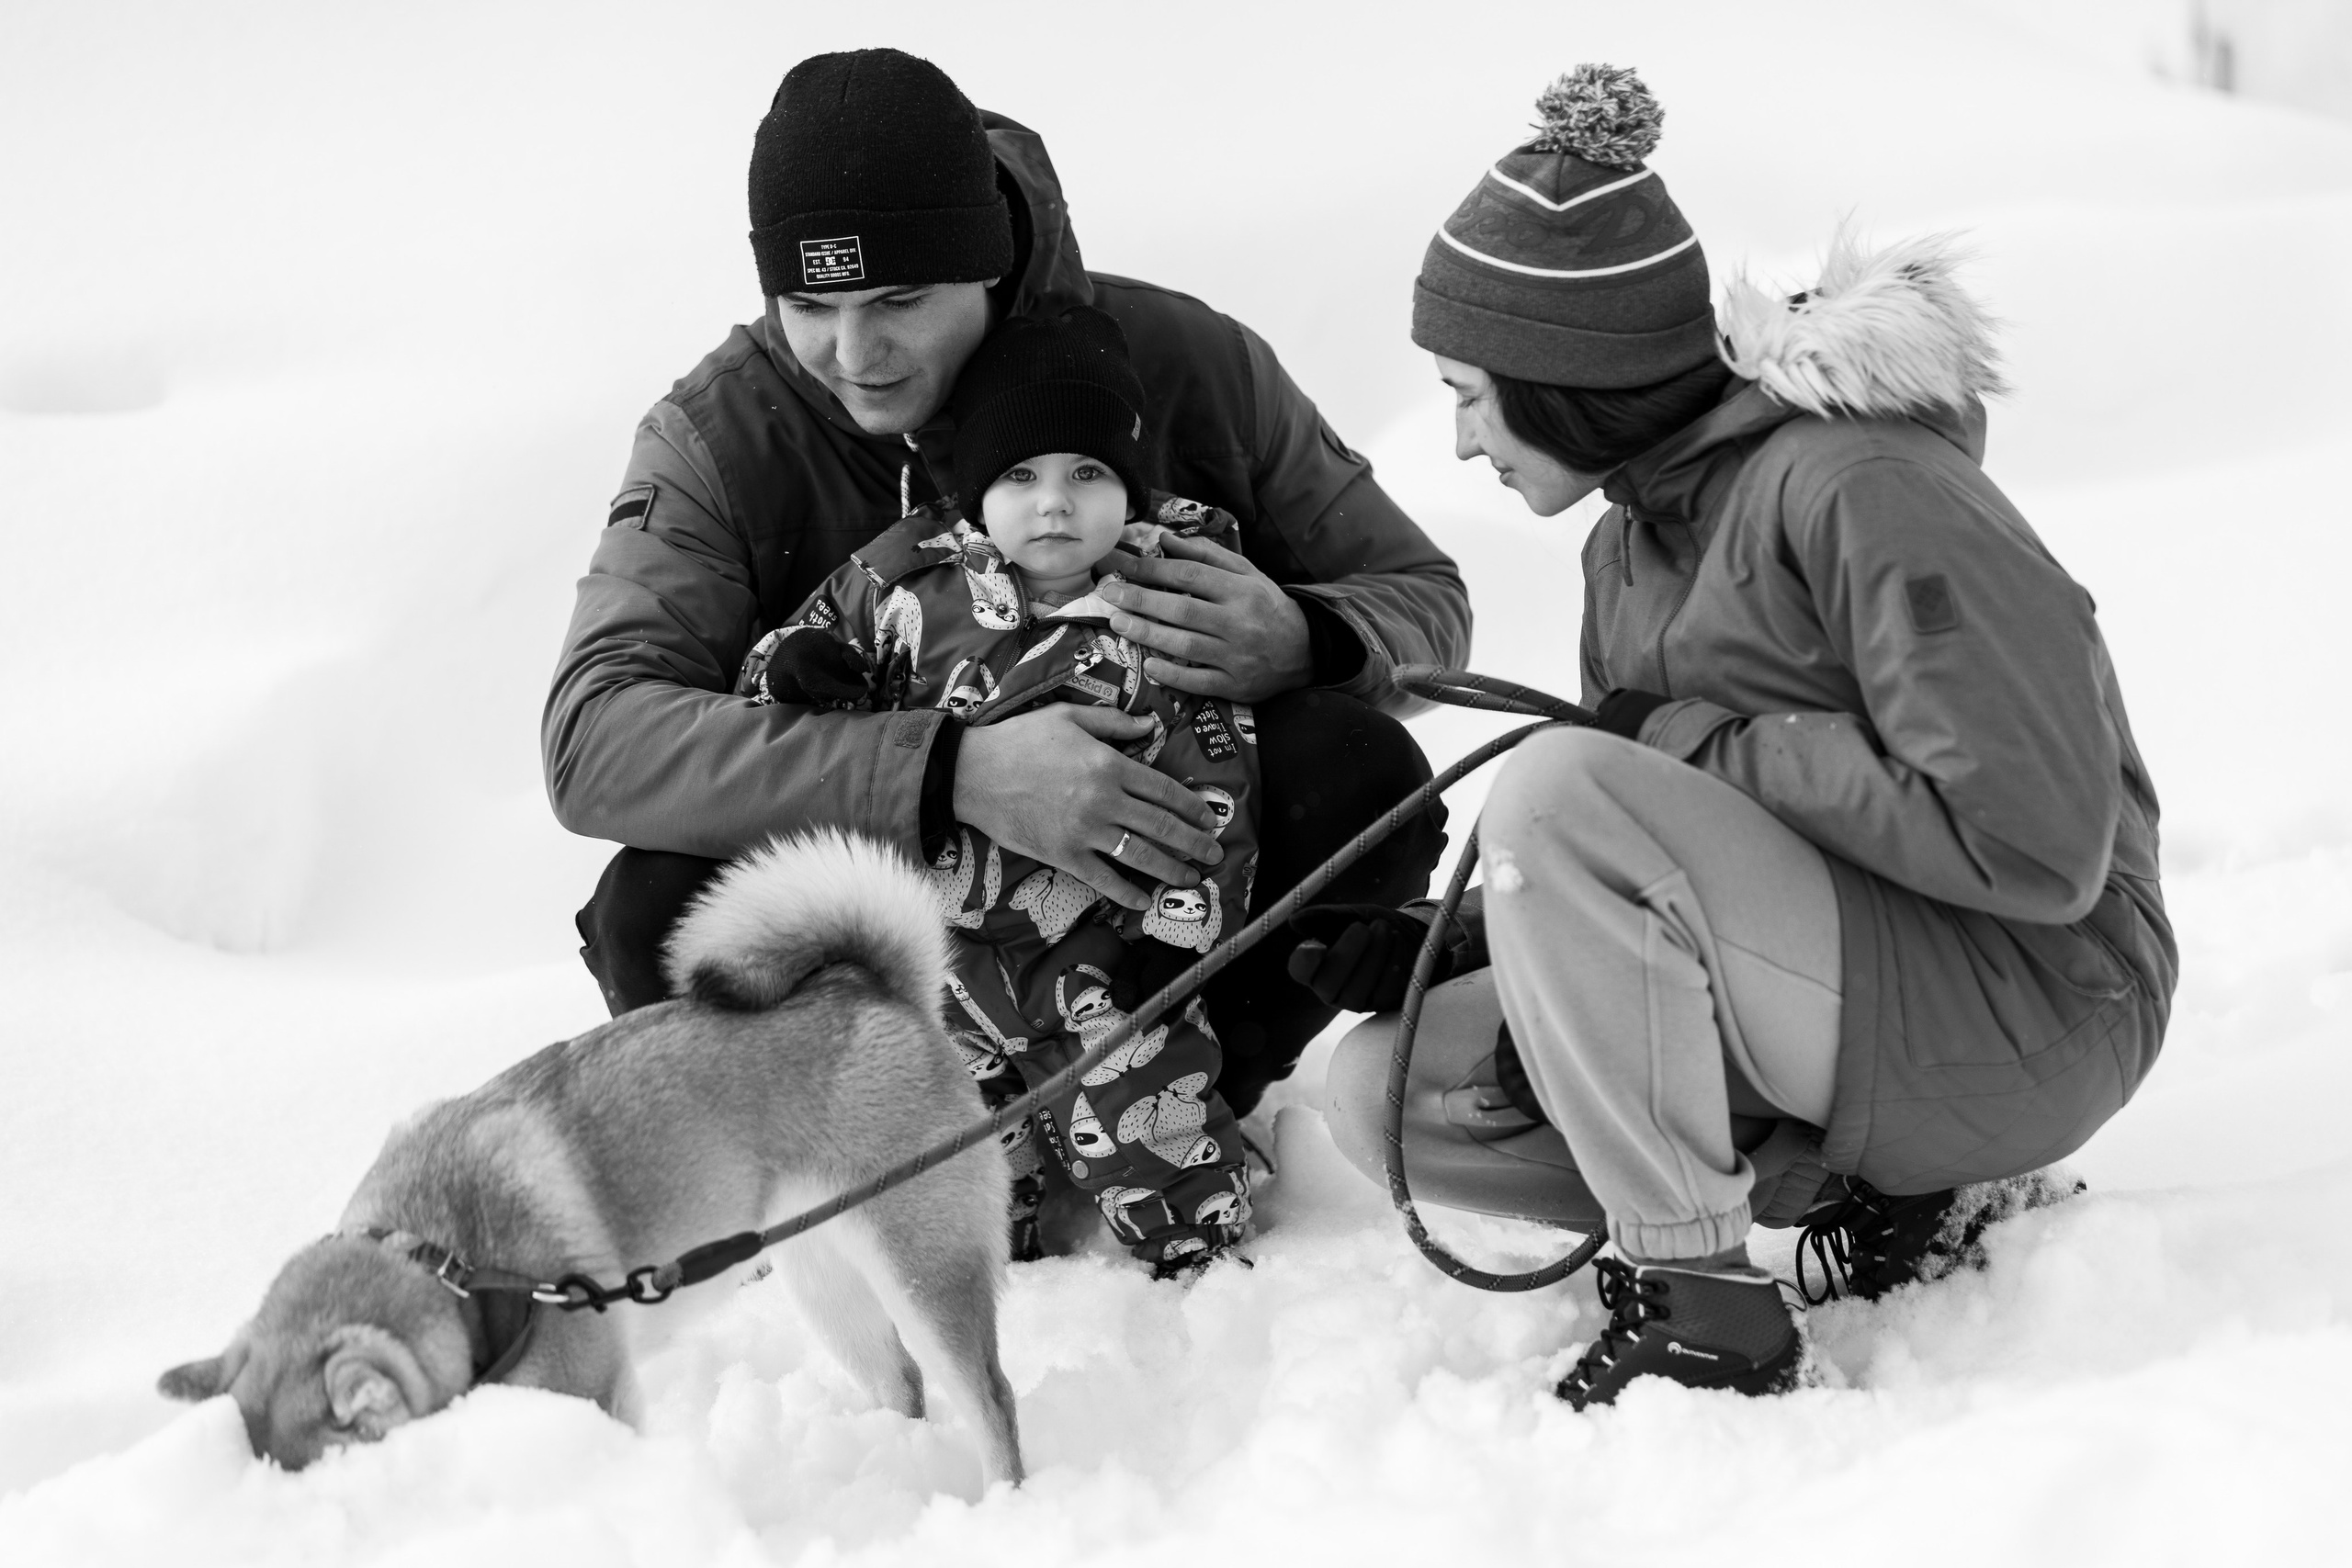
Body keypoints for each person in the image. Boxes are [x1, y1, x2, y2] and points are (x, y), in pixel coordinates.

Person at [1301, 66, 2174, 1406]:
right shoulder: (1625, 549)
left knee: (1560, 790)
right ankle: (1893, 1190)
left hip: (2041, 997)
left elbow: (2037, 845)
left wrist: (1695, 745)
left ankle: (1705, 1306)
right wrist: (1478, 944)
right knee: (1384, 1088)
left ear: (1570, 376)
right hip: (1857, 1006)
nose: (1463, 439)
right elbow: (1660, 854)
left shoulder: (1863, 487)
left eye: (1471, 393)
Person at [545, 48, 1464, 1118]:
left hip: (1155, 898)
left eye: (898, 298)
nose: (853, 354)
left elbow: (1422, 597)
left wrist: (1312, 638)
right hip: (885, 921)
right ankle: (878, 1158)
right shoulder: (720, 433)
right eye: (808, 302)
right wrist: (946, 773)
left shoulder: (1185, 362)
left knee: (1363, 773)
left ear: (983, 262)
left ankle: (1180, 1104)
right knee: (650, 907)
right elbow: (596, 736)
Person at [738, 306, 1257, 1270]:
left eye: (1086, 474)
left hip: (1106, 939)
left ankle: (1201, 1258)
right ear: (975, 486)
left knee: (1144, 1098)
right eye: (1019, 477)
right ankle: (994, 1247)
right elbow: (766, 677)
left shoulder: (1171, 599)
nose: (1052, 503)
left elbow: (1218, 780)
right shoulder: (902, 584)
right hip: (941, 944)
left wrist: (1194, 930)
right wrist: (793, 666)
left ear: (1129, 484)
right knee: (961, 1128)